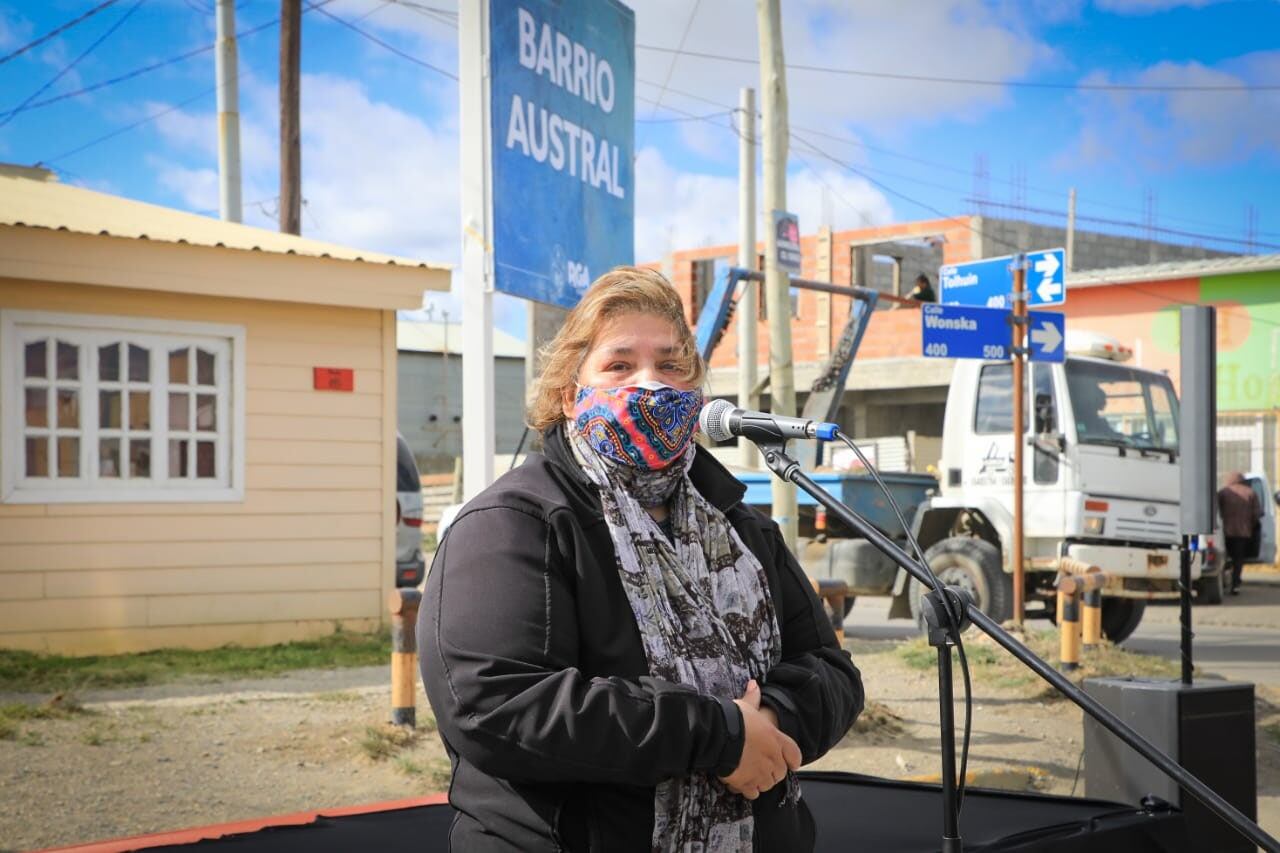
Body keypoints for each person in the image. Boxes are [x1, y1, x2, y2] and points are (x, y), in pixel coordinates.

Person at [420, 266, 864, 852]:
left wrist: (772, 724)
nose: (651, 384)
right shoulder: (513, 525)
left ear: (697, 393)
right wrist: (721, 736)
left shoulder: (742, 526)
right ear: (567, 396)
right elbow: (497, 706)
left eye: (671, 365)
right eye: (620, 365)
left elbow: (830, 671)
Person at [1218, 471, 1262, 595]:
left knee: (1224, 558)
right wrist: (1250, 526)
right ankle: (1236, 584)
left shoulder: (1223, 492)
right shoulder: (1251, 493)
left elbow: (1216, 511)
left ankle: (1223, 581)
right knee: (1238, 560)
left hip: (1225, 533)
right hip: (1243, 533)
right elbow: (1256, 514)